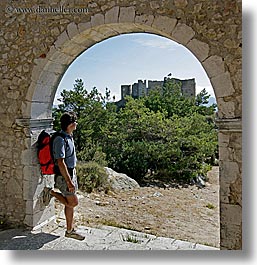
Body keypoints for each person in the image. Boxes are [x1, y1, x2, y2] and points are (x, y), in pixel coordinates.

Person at [44, 112, 85, 241]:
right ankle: (51, 193)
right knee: (73, 202)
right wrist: (68, 181)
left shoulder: (69, 136)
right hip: (64, 176)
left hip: (71, 173)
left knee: (69, 204)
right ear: (71, 124)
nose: (76, 124)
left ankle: (69, 230)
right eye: (75, 121)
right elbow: (60, 162)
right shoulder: (60, 140)